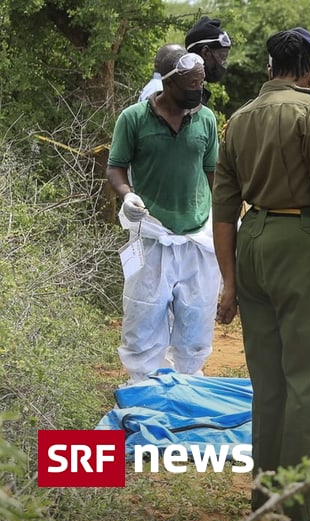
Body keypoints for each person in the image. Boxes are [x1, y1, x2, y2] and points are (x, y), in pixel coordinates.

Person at [212, 27, 310, 521]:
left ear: (269, 67)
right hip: (306, 245)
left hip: (252, 240)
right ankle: (303, 507)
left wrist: (230, 282)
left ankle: (267, 494)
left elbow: (222, 211)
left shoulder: (239, 119)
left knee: (270, 381)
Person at [106, 46, 219, 384]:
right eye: (189, 86)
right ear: (167, 83)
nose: (197, 92)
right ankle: (142, 384)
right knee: (144, 313)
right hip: (151, 233)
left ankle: (189, 382)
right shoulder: (134, 118)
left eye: (200, 84)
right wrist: (127, 195)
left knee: (197, 315)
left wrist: (224, 215)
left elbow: (212, 173)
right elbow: (116, 168)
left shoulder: (206, 119)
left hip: (197, 236)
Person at [185, 16, 231, 106]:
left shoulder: (199, 93)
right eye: (222, 57)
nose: (222, 64)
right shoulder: (185, 98)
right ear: (205, 53)